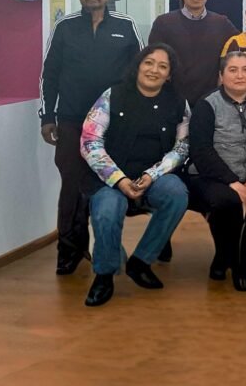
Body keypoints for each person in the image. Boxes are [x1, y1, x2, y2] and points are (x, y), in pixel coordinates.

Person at [39, 0, 141, 275]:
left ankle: (109, 246)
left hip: (114, 122)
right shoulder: (65, 27)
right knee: (72, 185)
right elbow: (49, 74)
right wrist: (47, 116)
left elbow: (140, 73)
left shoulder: (126, 25)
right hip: (71, 120)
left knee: (108, 184)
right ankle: (69, 251)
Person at [79, 44, 190, 307]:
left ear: (169, 75)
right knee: (107, 211)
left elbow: (182, 147)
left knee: (177, 194)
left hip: (154, 178)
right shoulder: (112, 95)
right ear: (138, 65)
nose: (154, 70)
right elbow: (89, 141)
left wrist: (152, 175)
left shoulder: (179, 103)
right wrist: (119, 179)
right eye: (149, 63)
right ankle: (104, 275)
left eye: (163, 66)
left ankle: (141, 261)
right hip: (111, 179)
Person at [187, 51, 246, 292]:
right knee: (227, 201)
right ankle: (231, 263)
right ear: (221, 75)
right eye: (233, 70)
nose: (240, 76)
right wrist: (231, 181)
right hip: (213, 176)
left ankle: (241, 262)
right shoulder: (207, 105)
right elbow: (201, 150)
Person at [149, 0, 238, 106]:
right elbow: (154, 59)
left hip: (213, 100)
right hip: (172, 99)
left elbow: (239, 49)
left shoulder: (222, 23)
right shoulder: (164, 23)